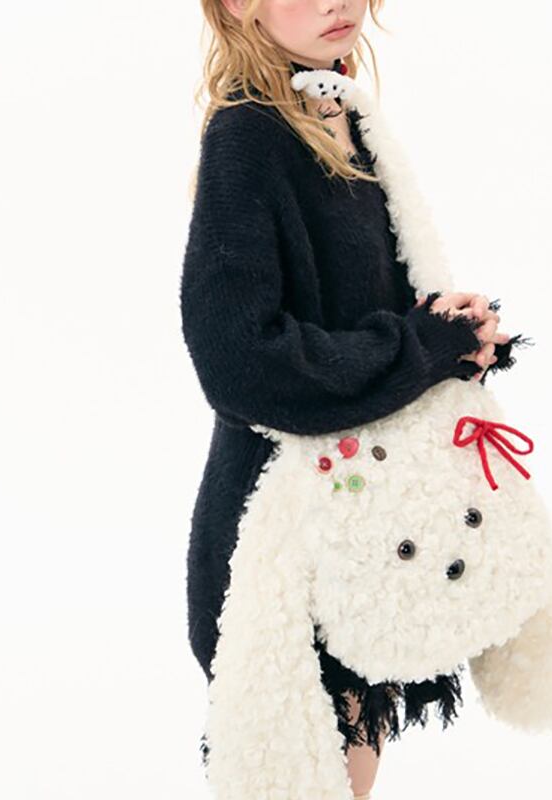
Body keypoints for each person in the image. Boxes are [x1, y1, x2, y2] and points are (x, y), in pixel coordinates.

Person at [179, 2, 515, 797]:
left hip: (362, 525)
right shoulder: (249, 134)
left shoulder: (338, 110)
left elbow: (358, 314)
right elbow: (240, 364)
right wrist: (420, 348)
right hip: (287, 544)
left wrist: (450, 339)